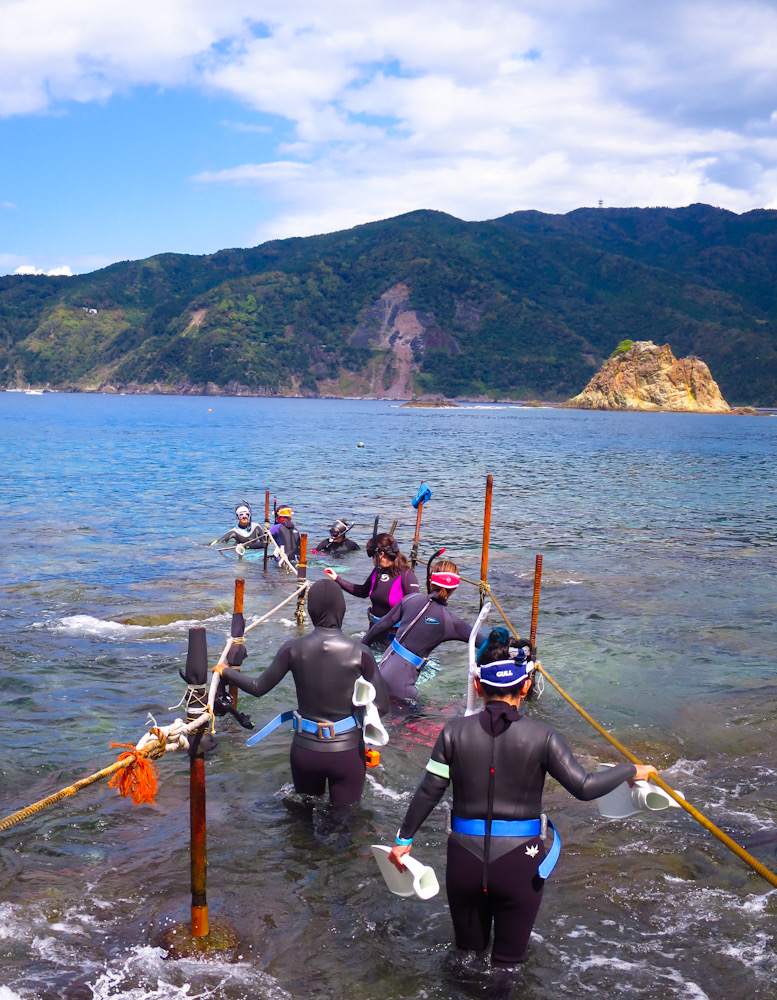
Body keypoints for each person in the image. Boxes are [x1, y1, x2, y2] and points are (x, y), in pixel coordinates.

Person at [388, 629, 657, 967]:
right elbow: (584, 787)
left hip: (463, 859)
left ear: (477, 686)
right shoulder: (542, 737)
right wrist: (630, 769)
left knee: (466, 959)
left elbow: (430, 789)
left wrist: (403, 839)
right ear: (526, 686)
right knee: (508, 966)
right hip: (520, 861)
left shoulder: (453, 732)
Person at [214, 577, 389, 806]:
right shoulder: (361, 652)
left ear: (312, 610)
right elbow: (383, 706)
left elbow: (257, 688)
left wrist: (226, 671)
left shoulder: (292, 648)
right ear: (342, 609)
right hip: (346, 752)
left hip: (306, 749)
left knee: (302, 823)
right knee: (344, 826)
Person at [363, 559, 486, 701]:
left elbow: (379, 627)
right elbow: (486, 644)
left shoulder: (410, 599)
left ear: (430, 581)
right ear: (455, 588)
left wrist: (360, 649)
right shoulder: (450, 622)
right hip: (402, 689)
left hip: (380, 674)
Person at [325, 532, 419, 627]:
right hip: (374, 631)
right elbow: (362, 591)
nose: (372, 560)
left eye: (372, 556)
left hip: (394, 634)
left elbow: (416, 608)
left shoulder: (405, 574)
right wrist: (337, 579)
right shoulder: (377, 571)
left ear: (381, 555)